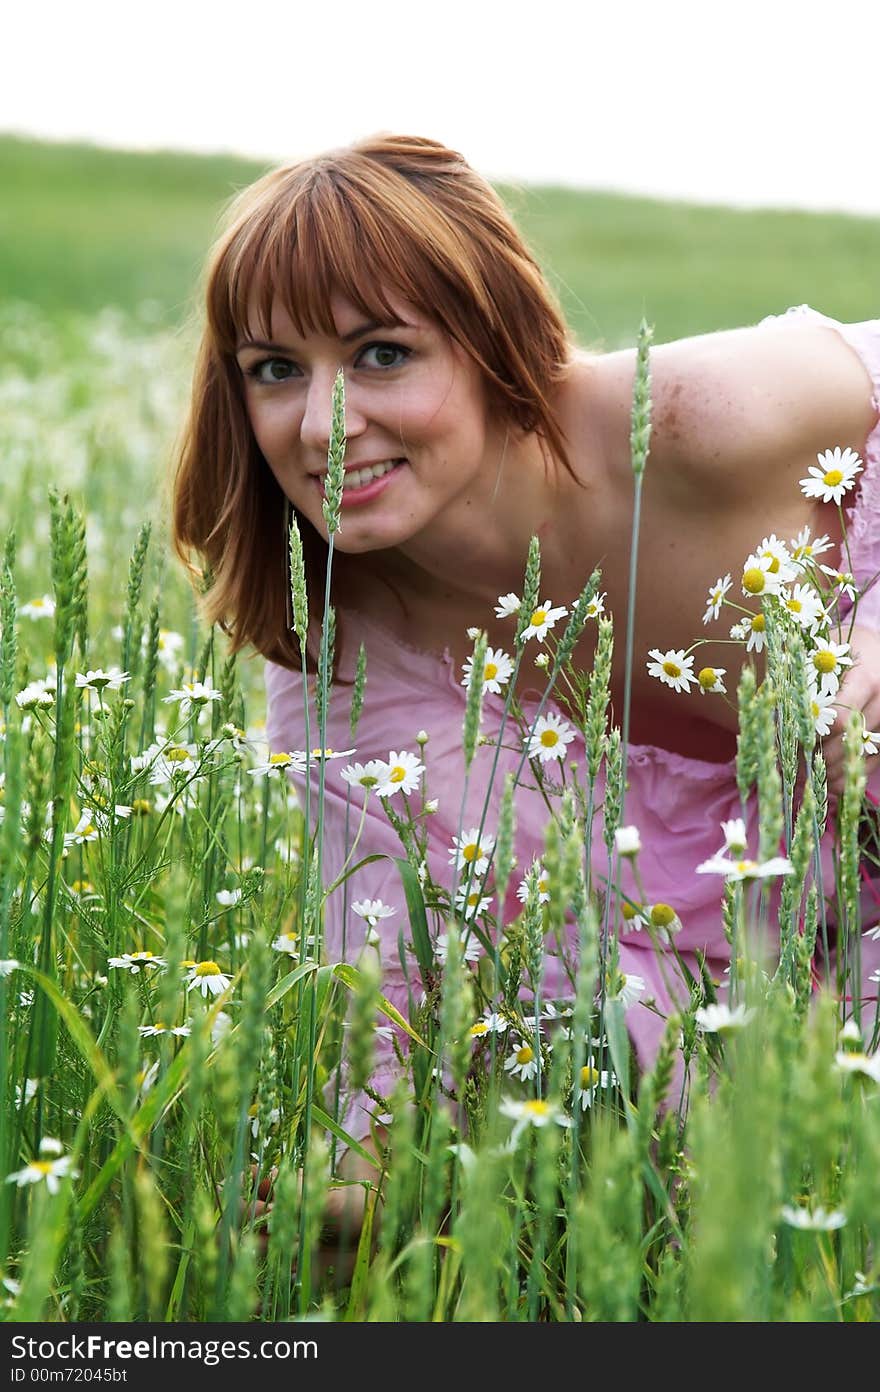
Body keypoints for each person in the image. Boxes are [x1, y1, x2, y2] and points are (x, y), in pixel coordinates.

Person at [171, 133, 880, 1173]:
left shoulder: (698, 422)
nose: (324, 425)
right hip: (775, 1000)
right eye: (275, 370)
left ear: (492, 336)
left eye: (382, 354)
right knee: (580, 1059)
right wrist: (364, 1174)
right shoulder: (339, 654)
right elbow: (391, 987)